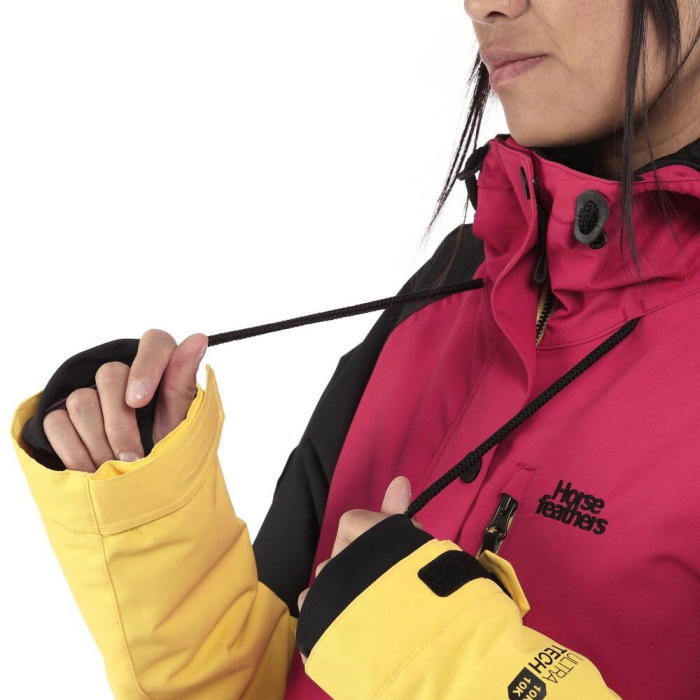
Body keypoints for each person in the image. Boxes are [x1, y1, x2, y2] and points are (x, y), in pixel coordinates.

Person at [10, 0, 700, 697]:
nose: (483, 4)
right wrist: (150, 521)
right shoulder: (454, 282)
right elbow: (280, 678)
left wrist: (429, 655)